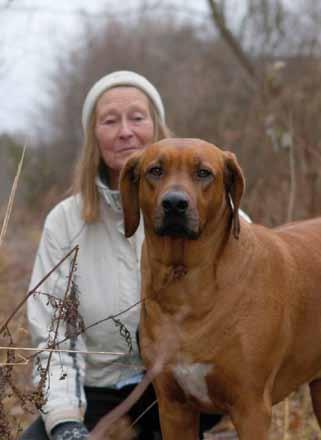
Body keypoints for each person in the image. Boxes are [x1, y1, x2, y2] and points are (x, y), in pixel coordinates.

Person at [21, 71, 222, 440]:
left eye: (138, 117)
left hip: (189, 391)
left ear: (158, 126)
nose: (125, 131)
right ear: (94, 137)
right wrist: (66, 422)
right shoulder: (65, 223)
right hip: (98, 395)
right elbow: (53, 338)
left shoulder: (204, 205)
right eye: (110, 121)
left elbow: (254, 294)